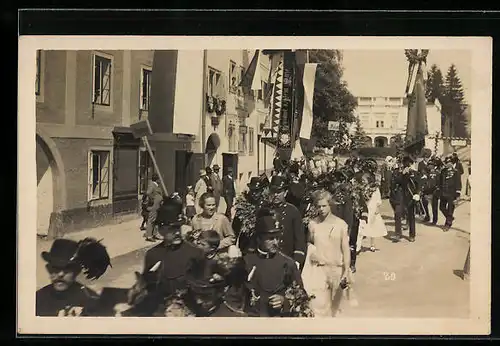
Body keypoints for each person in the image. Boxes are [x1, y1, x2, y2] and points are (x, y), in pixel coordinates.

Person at [142, 197, 205, 305]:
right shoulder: (152, 255)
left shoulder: (195, 253)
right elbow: (148, 290)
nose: (177, 233)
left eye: (178, 228)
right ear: (161, 231)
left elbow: (203, 291)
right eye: (172, 229)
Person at [244, 208, 305, 317]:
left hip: (277, 320)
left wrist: (284, 301)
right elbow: (234, 297)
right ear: (259, 239)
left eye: (277, 238)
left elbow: (301, 296)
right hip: (251, 320)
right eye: (271, 238)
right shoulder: (246, 261)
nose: (276, 242)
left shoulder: (287, 264)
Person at [301, 190, 353, 317]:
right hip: (319, 270)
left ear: (330, 205)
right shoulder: (313, 224)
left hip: (337, 269)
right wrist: (311, 252)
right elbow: (309, 244)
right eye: (318, 206)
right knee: (319, 307)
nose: (321, 209)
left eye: (324, 206)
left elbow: (346, 249)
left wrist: (346, 270)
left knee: (338, 310)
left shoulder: (341, 225)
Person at [36, 238, 111, 316]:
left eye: (67, 269)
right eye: (56, 268)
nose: (61, 274)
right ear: (49, 269)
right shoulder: (37, 298)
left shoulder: (89, 300)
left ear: (76, 271)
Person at [267, 175, 307, 272]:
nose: (275, 195)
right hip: (267, 259)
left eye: (279, 192)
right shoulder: (264, 210)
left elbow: (299, 238)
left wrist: (297, 260)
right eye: (273, 192)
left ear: (285, 193)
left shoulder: (293, 211)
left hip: (286, 258)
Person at [389, 155, 421, 243]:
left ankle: (412, 235)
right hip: (400, 197)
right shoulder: (398, 172)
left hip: (410, 197)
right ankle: (398, 233)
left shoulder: (415, 173)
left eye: (409, 164)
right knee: (398, 213)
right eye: (405, 164)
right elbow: (395, 182)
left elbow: (418, 185)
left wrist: (417, 194)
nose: (407, 166)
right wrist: (402, 174)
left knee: (411, 216)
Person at [358, 173, 388, 252]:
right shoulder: (362, 188)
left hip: (373, 208)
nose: (363, 181)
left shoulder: (375, 189)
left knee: (372, 226)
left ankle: (372, 244)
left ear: (368, 180)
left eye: (364, 180)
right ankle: (358, 245)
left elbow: (378, 199)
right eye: (362, 180)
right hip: (365, 208)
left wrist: (378, 208)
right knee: (362, 226)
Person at [439, 156, 462, 231]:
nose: (448, 164)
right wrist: (440, 190)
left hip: (452, 193)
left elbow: (458, 183)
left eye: (450, 162)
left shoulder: (456, 172)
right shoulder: (443, 171)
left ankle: (447, 224)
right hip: (443, 193)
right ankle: (450, 218)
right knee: (441, 207)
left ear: (452, 163)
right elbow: (440, 182)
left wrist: (457, 194)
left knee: (450, 209)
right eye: (447, 163)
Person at [421, 156, 443, 225]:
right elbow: (423, 181)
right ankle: (427, 216)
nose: (429, 166)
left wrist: (438, 190)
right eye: (428, 165)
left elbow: (439, 183)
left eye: (431, 165)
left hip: (434, 192)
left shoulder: (437, 173)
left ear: (434, 166)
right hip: (426, 192)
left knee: (434, 207)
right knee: (424, 204)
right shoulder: (425, 173)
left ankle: (435, 220)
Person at [145, 173, 164, 242]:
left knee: (156, 220)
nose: (160, 180)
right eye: (159, 179)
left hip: (157, 205)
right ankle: (149, 236)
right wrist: (153, 200)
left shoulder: (157, 185)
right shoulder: (152, 185)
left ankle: (155, 234)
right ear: (157, 179)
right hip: (153, 206)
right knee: (151, 220)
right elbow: (148, 193)